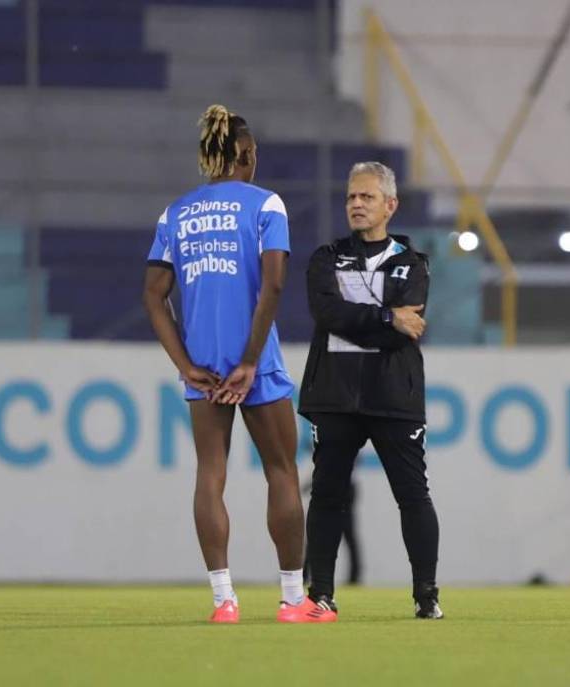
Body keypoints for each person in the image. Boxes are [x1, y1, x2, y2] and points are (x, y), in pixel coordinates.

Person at [143, 104, 326, 624]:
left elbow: (153, 296)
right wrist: (249, 360)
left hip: (202, 364)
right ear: (246, 154)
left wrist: (185, 363)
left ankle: (224, 601)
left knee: (210, 474)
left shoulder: (174, 213)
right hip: (255, 362)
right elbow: (273, 283)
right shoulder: (266, 204)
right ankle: (293, 600)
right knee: (282, 472)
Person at [299, 161, 443, 620]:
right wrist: (385, 317)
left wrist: (368, 319)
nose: (356, 204)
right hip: (335, 396)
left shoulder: (412, 264)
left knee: (413, 495)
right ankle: (319, 593)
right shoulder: (325, 258)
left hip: (393, 396)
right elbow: (327, 313)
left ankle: (426, 596)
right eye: (351, 197)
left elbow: (405, 330)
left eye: (367, 197)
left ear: (391, 205)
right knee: (327, 495)